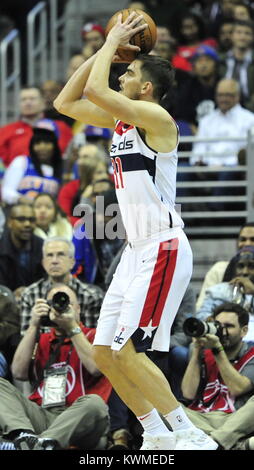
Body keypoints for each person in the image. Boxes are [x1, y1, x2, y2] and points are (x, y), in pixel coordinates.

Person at [53, 11, 217, 450]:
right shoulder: (123, 122)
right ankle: (159, 434)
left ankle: (187, 433)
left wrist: (110, 43)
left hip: (162, 246)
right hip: (135, 251)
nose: (122, 74)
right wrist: (102, 50)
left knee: (129, 351)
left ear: (146, 88)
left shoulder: (155, 119)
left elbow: (94, 90)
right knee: (105, 353)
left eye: (129, 72)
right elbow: (66, 104)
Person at [0, 284, 110, 450]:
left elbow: (95, 368)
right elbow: (18, 372)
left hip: (80, 418)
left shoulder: (95, 335)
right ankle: (25, 436)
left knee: (96, 403)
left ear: (78, 309)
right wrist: (33, 325)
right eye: (53, 304)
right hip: (43, 415)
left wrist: (72, 328)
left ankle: (38, 444)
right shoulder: (42, 339)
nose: (60, 309)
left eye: (66, 304)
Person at [181, 302, 254, 450]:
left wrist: (217, 350)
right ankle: (233, 445)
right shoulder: (201, 351)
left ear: (244, 330)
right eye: (218, 325)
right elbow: (188, 393)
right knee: (162, 405)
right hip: (199, 416)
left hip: (234, 418)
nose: (222, 331)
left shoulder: (251, 354)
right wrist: (196, 351)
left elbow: (237, 388)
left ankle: (210, 442)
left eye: (229, 326)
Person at [20, 237, 104, 335]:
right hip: (43, 349)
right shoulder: (30, 295)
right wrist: (33, 325)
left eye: (60, 255)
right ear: (43, 263)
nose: (54, 261)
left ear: (72, 262)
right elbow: (25, 342)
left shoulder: (91, 296)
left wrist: (72, 325)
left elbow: (93, 340)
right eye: (49, 255)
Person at [0, 86, 73, 167]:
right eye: (23, 99)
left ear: (43, 103)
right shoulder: (6, 130)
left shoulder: (60, 127)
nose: (28, 103)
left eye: (32, 99)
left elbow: (66, 154)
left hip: (53, 174)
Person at [197, 246, 254, 341]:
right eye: (240, 266)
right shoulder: (217, 291)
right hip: (223, 339)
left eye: (251, 266)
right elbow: (201, 316)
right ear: (233, 268)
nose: (245, 272)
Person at [196, 222, 254, 309]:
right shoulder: (219, 269)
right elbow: (202, 308)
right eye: (243, 239)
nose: (247, 243)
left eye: (253, 240)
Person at [1, 127, 63, 205]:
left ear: (55, 146)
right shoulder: (22, 161)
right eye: (37, 143)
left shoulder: (60, 169)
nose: (42, 147)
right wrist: (27, 201)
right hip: (20, 212)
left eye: (47, 143)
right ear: (31, 146)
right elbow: (6, 192)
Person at [58, 143, 108, 226]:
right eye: (79, 157)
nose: (80, 162)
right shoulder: (69, 188)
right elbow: (64, 218)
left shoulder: (112, 182)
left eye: (86, 157)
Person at [0, 204, 45, 292]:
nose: (27, 224)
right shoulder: (1, 247)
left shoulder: (43, 247)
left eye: (31, 220)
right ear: (9, 222)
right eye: (21, 219)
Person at [218, 20, 254, 111]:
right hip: (223, 109)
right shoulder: (220, 60)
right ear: (232, 36)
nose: (242, 37)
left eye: (247, 33)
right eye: (239, 32)